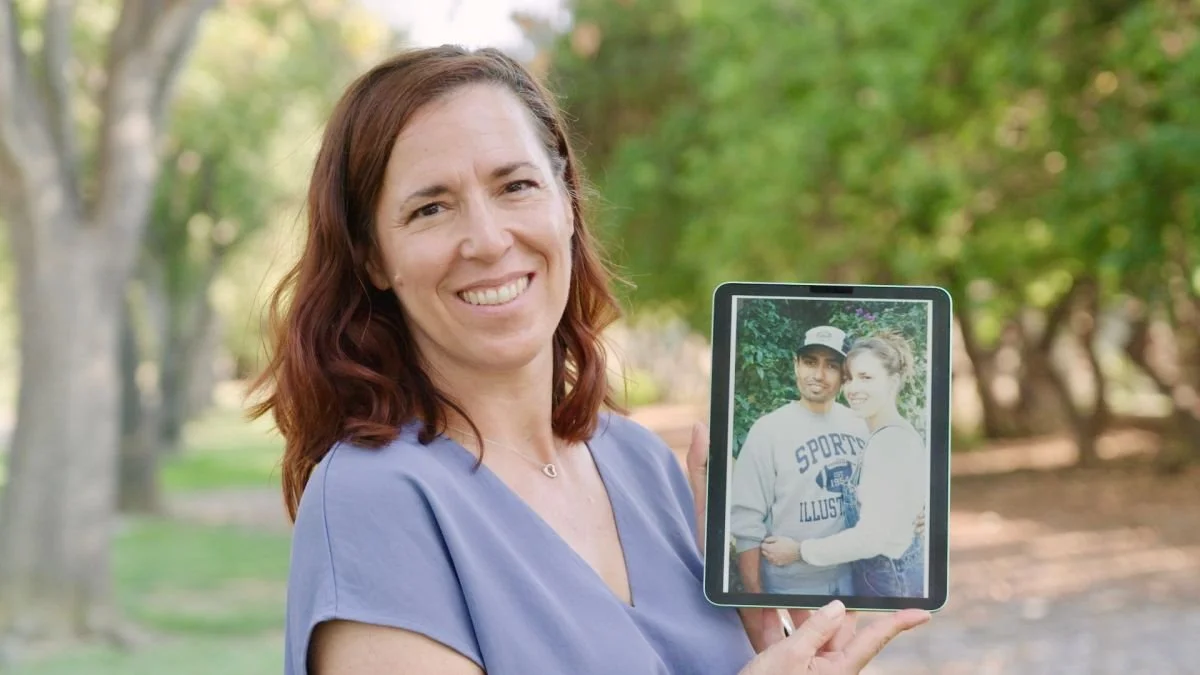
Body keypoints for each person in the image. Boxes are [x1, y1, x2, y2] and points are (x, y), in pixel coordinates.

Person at [247, 45, 930, 675]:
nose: (487, 239)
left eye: (515, 186)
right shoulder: (373, 500)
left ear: (567, 201)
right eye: (430, 208)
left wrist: (780, 652)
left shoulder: (643, 465)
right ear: (372, 256)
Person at [759, 332, 929, 598]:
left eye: (866, 378)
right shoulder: (883, 433)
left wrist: (799, 551)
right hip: (884, 576)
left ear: (893, 381)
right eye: (849, 378)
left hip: (891, 583)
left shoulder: (888, 443)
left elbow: (869, 539)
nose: (853, 389)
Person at [729, 325, 871, 596]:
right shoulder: (768, 430)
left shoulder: (860, 424)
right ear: (796, 365)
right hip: (788, 586)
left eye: (831, 365)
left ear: (844, 375)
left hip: (849, 580)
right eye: (809, 362)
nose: (818, 375)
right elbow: (746, 523)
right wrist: (757, 598)